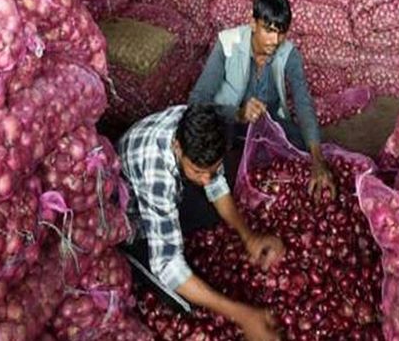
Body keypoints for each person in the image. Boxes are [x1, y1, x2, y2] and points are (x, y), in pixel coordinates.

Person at [117, 104, 284, 341]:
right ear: (177, 147)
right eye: (198, 170)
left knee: (214, 213)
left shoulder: (200, 126)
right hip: (129, 219)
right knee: (182, 303)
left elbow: (215, 184)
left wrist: (249, 237)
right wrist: (244, 316)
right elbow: (167, 264)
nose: (207, 179)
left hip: (166, 191)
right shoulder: (157, 173)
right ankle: (130, 254)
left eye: (212, 169)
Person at [189, 0, 336, 200]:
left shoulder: (289, 53)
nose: (275, 40)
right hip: (226, 123)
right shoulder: (228, 44)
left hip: (268, 125)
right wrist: (238, 114)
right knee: (217, 171)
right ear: (253, 22)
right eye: (268, 30)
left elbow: (304, 103)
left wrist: (317, 161)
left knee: (305, 146)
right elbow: (197, 101)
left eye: (281, 32)